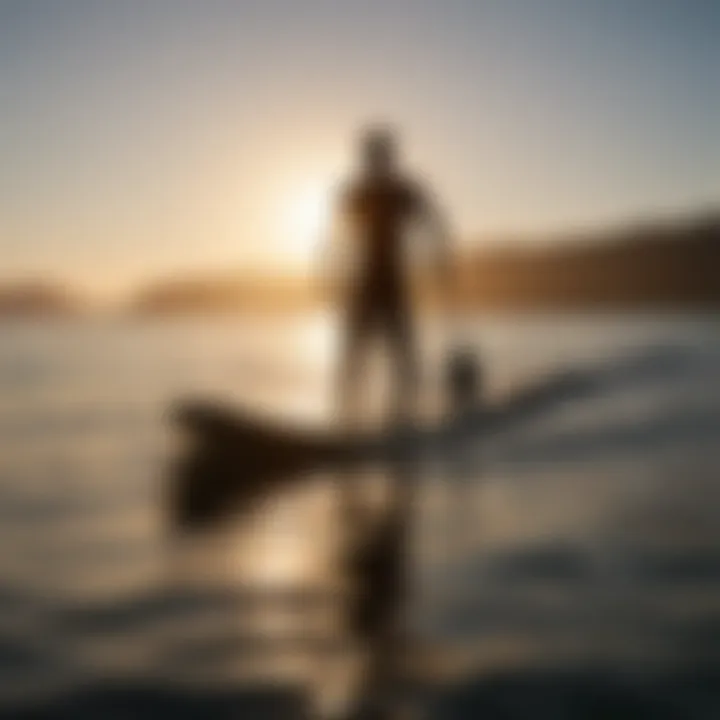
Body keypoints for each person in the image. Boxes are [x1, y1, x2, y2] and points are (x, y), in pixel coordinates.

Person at [326, 125, 453, 423]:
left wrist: (440, 260)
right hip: (364, 282)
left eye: (379, 154)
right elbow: (337, 236)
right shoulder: (358, 192)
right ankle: (347, 417)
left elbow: (432, 221)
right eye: (371, 154)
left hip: (391, 281)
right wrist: (332, 273)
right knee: (356, 353)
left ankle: (402, 417)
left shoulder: (401, 190)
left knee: (400, 353)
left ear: (388, 156)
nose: (375, 160)